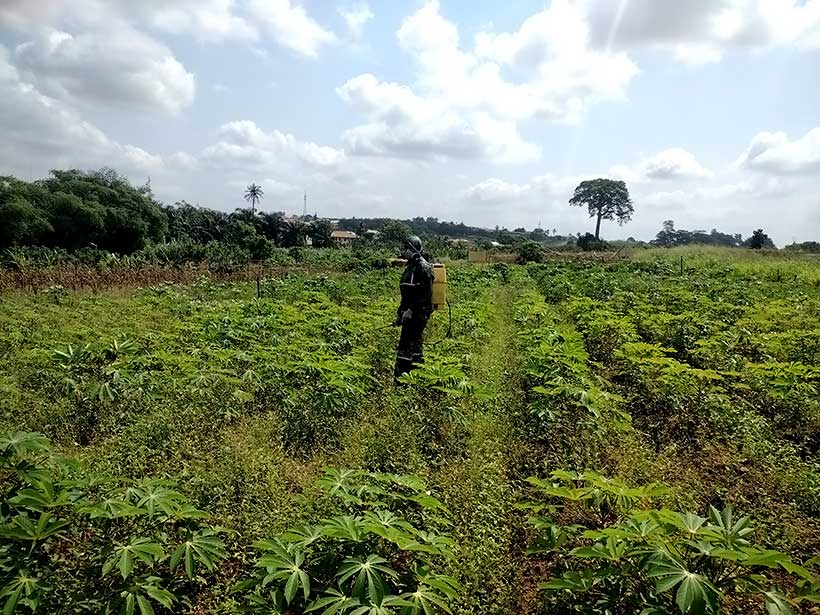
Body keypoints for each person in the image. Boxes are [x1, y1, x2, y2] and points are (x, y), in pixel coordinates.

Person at [394, 235, 434, 380]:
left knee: (412, 346)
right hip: (409, 315)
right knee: (406, 347)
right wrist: (400, 314)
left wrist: (411, 311)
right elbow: (406, 295)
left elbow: (425, 294)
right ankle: (405, 378)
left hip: (418, 315)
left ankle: (412, 378)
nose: (404, 252)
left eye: (407, 249)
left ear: (413, 249)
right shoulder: (410, 267)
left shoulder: (424, 267)